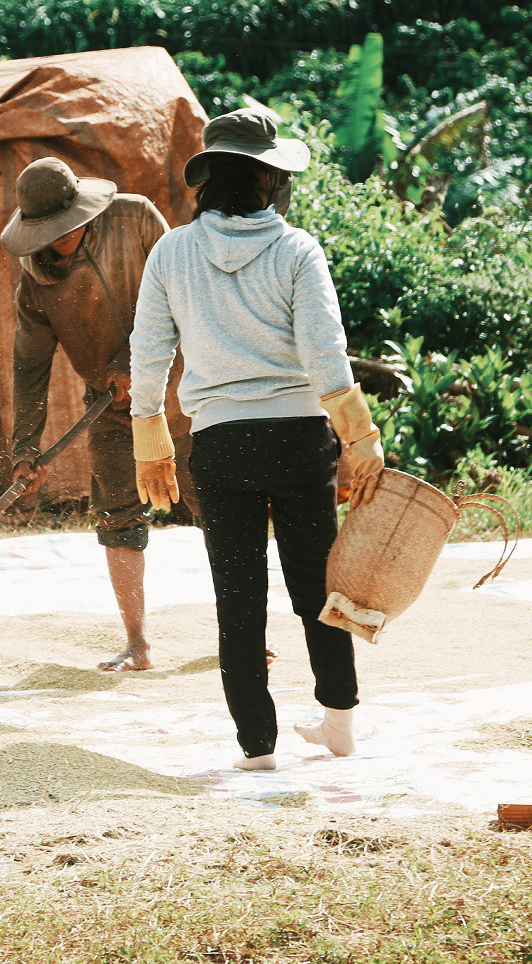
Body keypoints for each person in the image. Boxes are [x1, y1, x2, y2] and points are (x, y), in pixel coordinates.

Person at [126, 108, 385, 770]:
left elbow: (149, 352)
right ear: (268, 181)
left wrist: (149, 438)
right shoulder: (297, 250)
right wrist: (362, 436)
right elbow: (328, 360)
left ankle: (256, 745)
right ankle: (339, 723)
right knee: (316, 586)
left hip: (221, 443)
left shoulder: (171, 253)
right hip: (302, 440)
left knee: (238, 596)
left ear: (210, 179)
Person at [2, 157, 192, 672]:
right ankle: (138, 643)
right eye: (52, 234)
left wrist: (142, 360)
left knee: (218, 502)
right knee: (116, 516)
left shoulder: (135, 218)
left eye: (72, 226)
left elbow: (188, 292)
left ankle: (245, 632)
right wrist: (25, 449)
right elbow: (30, 369)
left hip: (184, 394)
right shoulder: (35, 284)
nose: (67, 237)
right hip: (110, 409)